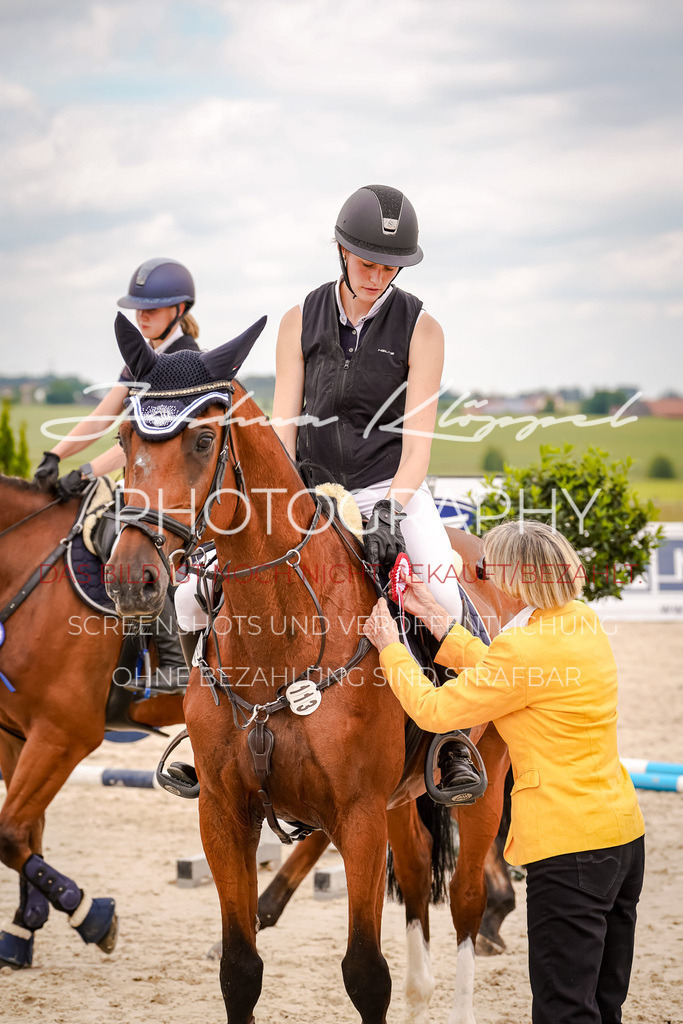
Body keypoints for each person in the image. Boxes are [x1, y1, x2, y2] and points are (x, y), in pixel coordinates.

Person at [363, 519, 645, 1024]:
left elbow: (431, 709)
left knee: (564, 1009)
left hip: (568, 849)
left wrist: (390, 647)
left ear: (517, 581)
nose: (485, 576)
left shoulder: (522, 652)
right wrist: (435, 618)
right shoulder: (580, 621)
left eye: (491, 569)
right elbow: (507, 670)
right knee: (605, 1002)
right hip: (622, 835)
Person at [271, 183, 465, 623]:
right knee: (198, 594)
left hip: (389, 490)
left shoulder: (423, 331)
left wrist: (390, 512)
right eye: (366, 264)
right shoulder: (297, 320)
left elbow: (417, 449)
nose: (376, 279)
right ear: (342, 250)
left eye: (389, 268)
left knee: (444, 599)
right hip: (311, 491)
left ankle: (456, 691)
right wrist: (285, 494)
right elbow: (283, 429)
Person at [32, 258, 200, 692]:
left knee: (123, 538)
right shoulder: (144, 358)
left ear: (179, 310)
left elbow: (149, 448)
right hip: (144, 485)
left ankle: (174, 659)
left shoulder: (183, 361)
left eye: (152, 308)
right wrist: (56, 453)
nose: (141, 315)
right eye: (137, 308)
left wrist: (89, 470)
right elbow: (103, 415)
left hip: (175, 492)